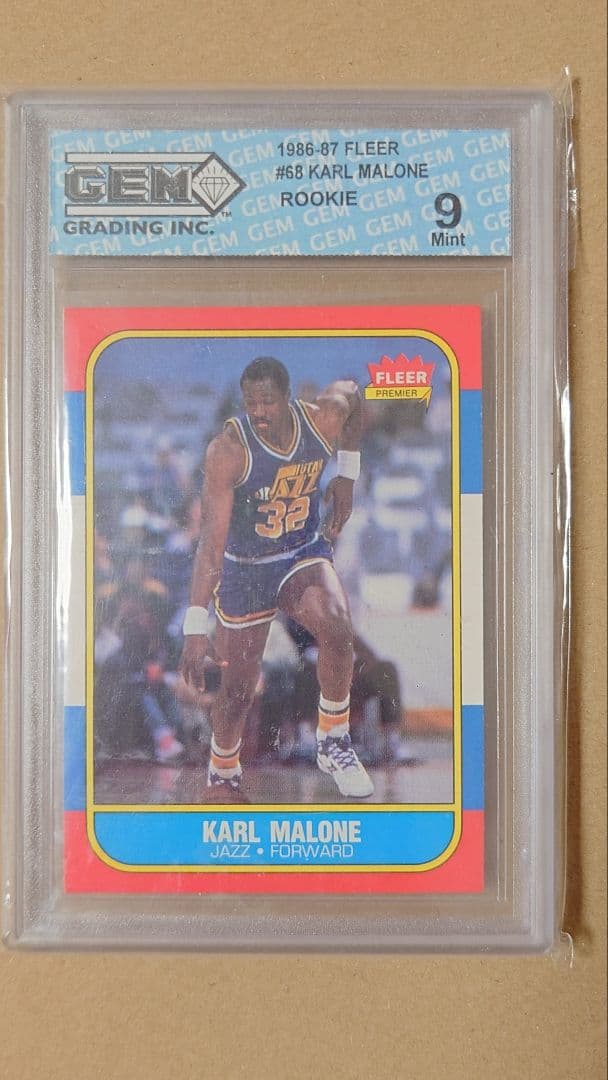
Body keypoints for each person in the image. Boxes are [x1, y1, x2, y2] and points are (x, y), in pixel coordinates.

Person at [179, 356, 373, 801]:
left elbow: (354, 395)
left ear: (289, 398)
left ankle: (334, 739)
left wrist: (347, 475)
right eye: (251, 403)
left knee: (337, 626)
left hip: (300, 553)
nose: (259, 411)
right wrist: (195, 625)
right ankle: (223, 771)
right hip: (246, 568)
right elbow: (210, 544)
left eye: (267, 401)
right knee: (238, 691)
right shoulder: (229, 450)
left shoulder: (322, 420)